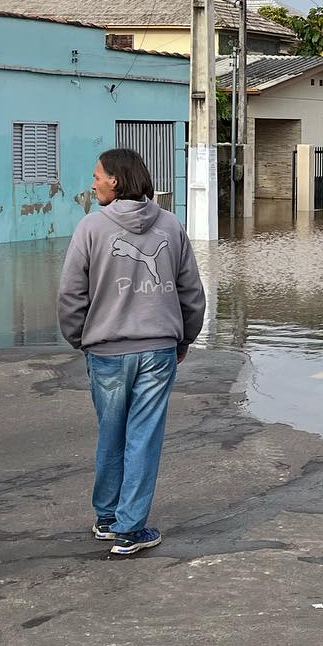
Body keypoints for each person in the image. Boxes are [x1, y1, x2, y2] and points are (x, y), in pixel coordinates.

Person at [58, 148, 205, 557]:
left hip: (105, 351)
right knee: (143, 437)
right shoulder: (171, 226)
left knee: (112, 432)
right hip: (158, 349)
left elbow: (71, 294)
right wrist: (185, 338)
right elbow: (192, 292)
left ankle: (108, 520)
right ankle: (129, 528)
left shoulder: (90, 228)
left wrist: (80, 339)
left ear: (115, 181)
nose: (92, 183)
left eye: (96, 175)